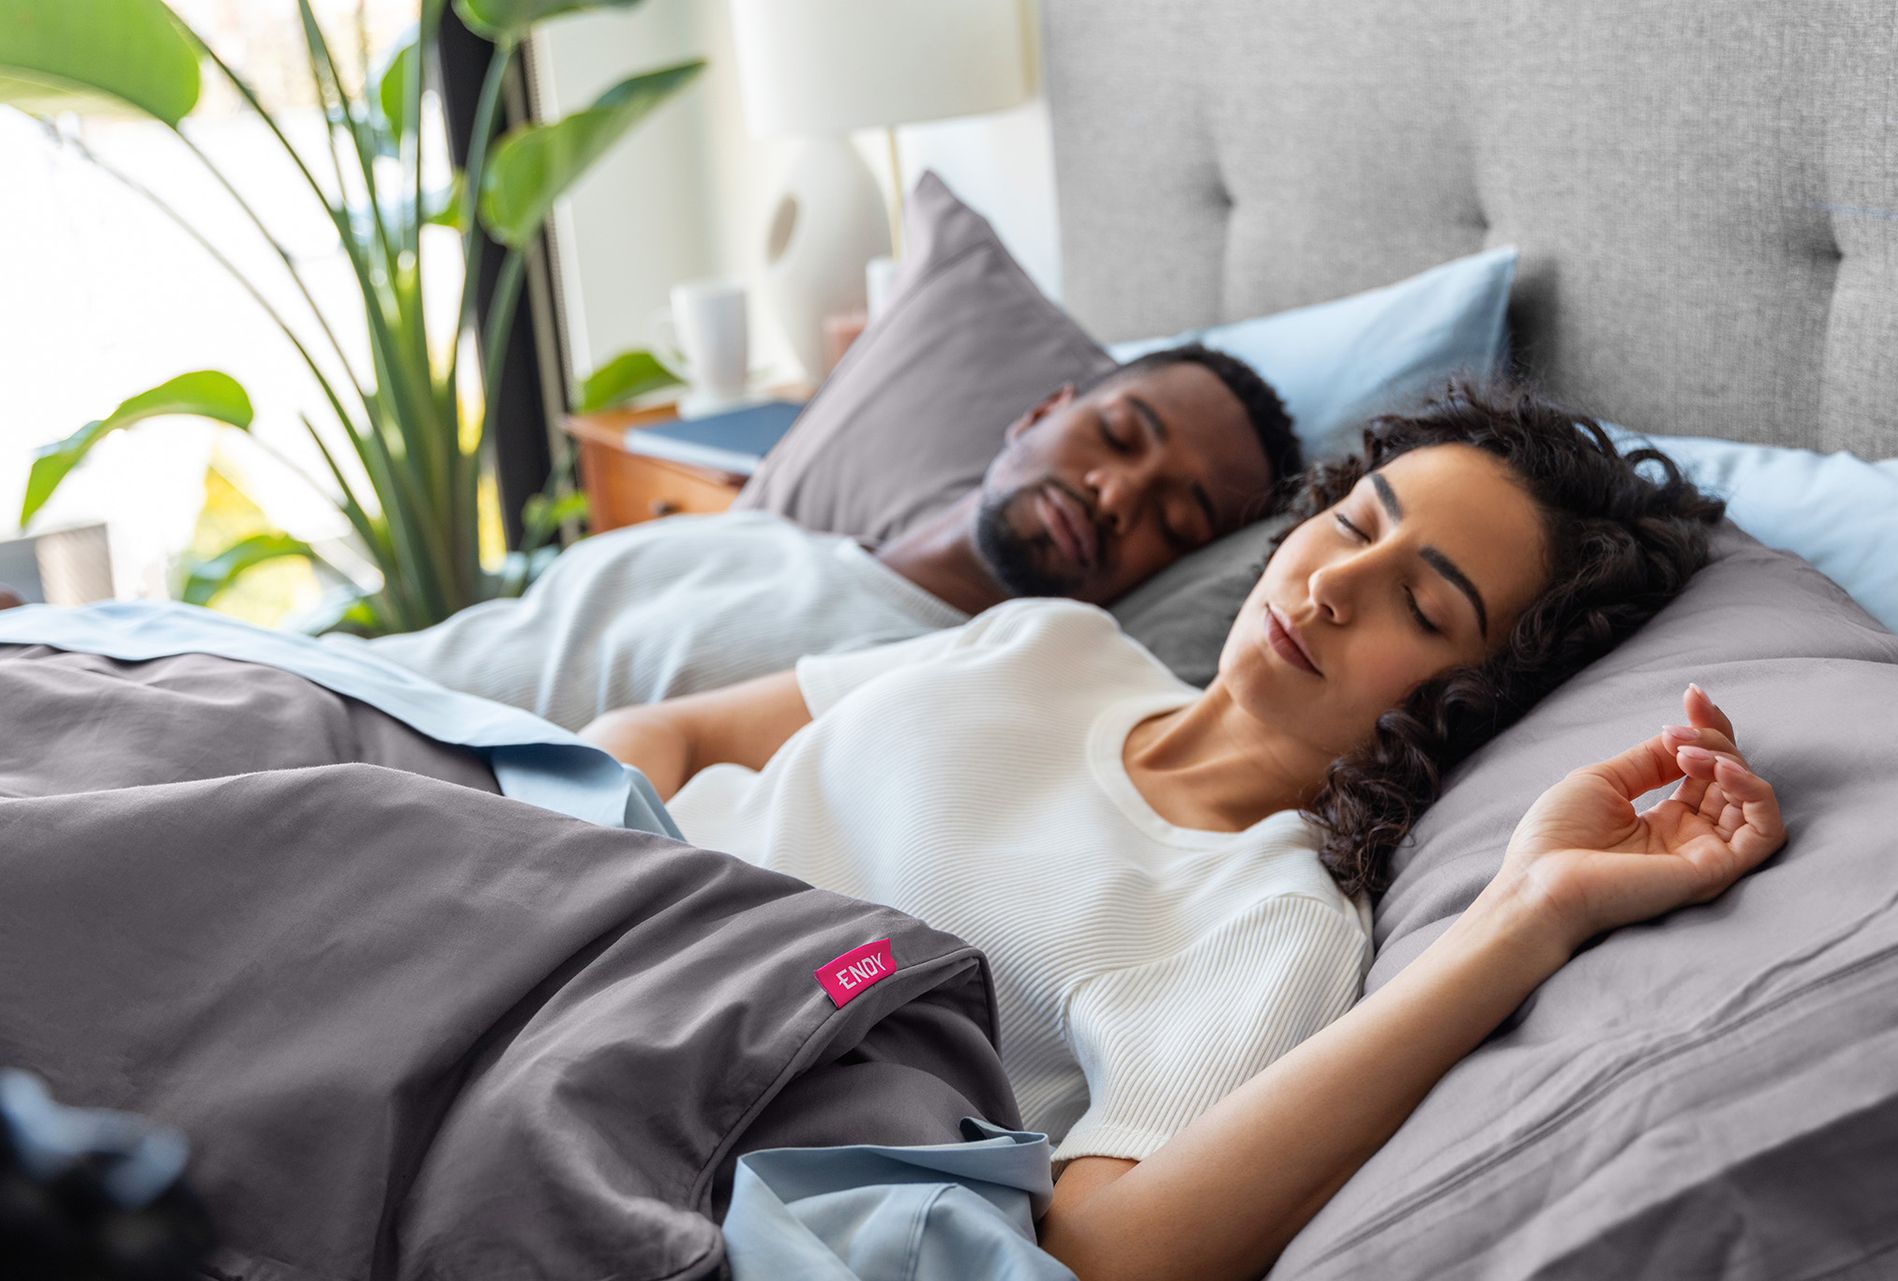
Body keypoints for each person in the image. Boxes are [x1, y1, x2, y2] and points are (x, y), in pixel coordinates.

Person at [582, 378, 1783, 1281]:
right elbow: (669, 732)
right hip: (576, 890)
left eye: (1419, 606)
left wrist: (1530, 914)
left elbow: (1101, 1255)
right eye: (1354, 526)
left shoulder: (1272, 921)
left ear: (1476, 700)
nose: (1331, 588)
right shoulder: (1055, 639)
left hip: (664, 1081)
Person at [344, 343, 1298, 730]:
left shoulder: (943, 691)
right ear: (1042, 410)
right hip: (329, 682)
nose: (1116, 493)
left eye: (1174, 521)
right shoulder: (758, 534)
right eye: (1118, 435)